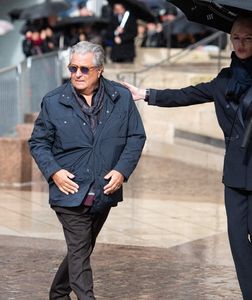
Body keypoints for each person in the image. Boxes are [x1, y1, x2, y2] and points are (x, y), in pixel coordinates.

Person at [123, 15, 252, 300]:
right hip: (235, 173)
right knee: (238, 242)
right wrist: (145, 94)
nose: (241, 44)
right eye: (236, 38)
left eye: (248, 38)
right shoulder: (224, 80)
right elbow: (187, 94)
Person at [29, 41, 146, 300]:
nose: (77, 74)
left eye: (84, 69)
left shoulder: (121, 97)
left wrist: (122, 171)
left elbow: (136, 137)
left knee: (80, 250)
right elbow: (38, 142)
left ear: (100, 70)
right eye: (72, 68)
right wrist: (55, 172)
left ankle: (58, 293)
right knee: (80, 252)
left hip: (104, 190)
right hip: (69, 191)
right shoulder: (53, 101)